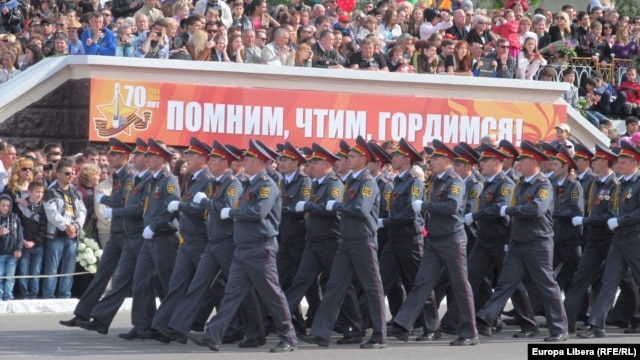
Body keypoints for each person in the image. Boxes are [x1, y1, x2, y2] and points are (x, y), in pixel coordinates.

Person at [187, 139, 297, 353]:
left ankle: (289, 336)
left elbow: (258, 213)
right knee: (232, 294)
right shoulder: (249, 183)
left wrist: (233, 213)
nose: (244, 161)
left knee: (272, 294)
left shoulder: (266, 185)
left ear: (258, 161)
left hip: (260, 247)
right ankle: (214, 335)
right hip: (243, 248)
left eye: (248, 158)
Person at [475, 140, 569, 342]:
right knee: (505, 283)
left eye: (523, 159)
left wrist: (509, 210)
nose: (519, 163)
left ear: (533, 161)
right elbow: (516, 217)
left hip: (538, 242)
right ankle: (485, 317)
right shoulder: (521, 184)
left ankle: (560, 329)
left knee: (546, 285)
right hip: (518, 242)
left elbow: (536, 210)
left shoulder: (543, 185)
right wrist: (510, 238)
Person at [388, 139, 478, 346]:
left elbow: (452, 207)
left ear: (447, 160)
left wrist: (425, 206)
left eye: (436, 158)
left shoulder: (454, 181)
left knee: (460, 286)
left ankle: (470, 332)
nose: (431, 162)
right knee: (422, 283)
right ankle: (403, 324)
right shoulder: (437, 180)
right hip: (435, 240)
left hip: (451, 239)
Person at [300, 135, 386, 350]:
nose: (347, 159)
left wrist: (335, 206)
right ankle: (321, 333)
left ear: (363, 159)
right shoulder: (351, 181)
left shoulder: (367, 182)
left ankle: (379, 335)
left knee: (372, 288)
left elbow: (360, 210)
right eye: (348, 156)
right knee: (334, 286)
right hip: (347, 242)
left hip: (363, 241)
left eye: (352, 156)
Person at [287, 142, 363, 344]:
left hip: (330, 241)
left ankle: (354, 328)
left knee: (341, 287)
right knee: (301, 281)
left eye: (315, 162)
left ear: (327, 164)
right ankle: (282, 321)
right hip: (313, 242)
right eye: (310, 162)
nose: (310, 166)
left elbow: (333, 209)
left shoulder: (334, 184)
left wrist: (310, 206)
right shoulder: (317, 184)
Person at [60, 138, 135, 331]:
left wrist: (106, 199)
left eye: (114, 154)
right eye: (110, 153)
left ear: (124, 157)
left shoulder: (129, 176)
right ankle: (82, 313)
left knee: (122, 279)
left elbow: (124, 202)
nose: (109, 158)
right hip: (115, 231)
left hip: (125, 231)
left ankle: (101, 319)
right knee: (101, 274)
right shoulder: (118, 176)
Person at [577, 141, 640, 339]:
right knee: (609, 280)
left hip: (634, 237)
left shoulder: (637, 183)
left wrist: (620, 220)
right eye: (618, 162)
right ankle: (596, 324)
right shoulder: (623, 183)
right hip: (619, 238)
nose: (618, 165)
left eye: (622, 162)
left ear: (634, 162)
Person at [377, 138, 437, 341]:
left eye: (396, 155)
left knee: (417, 283)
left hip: (410, 240)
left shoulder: (414, 181)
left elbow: (411, 212)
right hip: (394, 240)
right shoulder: (398, 180)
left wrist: (386, 222)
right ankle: (368, 324)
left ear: (406, 159)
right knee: (380, 281)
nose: (392, 158)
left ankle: (430, 326)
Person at [125, 139, 180, 340]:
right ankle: (142, 325)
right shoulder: (151, 180)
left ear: (160, 158)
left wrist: (155, 226)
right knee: (141, 281)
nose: (146, 159)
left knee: (167, 284)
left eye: (150, 156)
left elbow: (171, 209)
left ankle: (168, 326)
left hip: (164, 236)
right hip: (149, 238)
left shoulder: (169, 180)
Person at [42, 158, 87, 299]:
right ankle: (49, 295)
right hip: (56, 235)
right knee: (52, 268)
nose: (71, 176)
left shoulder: (75, 192)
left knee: (69, 268)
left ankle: (65, 295)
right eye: (67, 173)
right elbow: (51, 212)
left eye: (73, 173)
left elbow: (82, 211)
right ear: (59, 174)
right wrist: (66, 226)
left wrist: (75, 226)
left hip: (72, 235)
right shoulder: (51, 192)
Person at [16, 181, 47, 299]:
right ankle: (24, 294)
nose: (39, 194)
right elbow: (18, 226)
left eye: (41, 192)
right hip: (23, 243)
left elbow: (44, 227)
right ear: (29, 192)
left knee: (36, 271)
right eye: (37, 192)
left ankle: (33, 294)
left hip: (37, 244)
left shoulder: (43, 207)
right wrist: (23, 240)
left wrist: (34, 242)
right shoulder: (21, 206)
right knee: (24, 271)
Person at [0, 194, 23, 301]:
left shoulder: (15, 217)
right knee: (0, 275)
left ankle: (8, 295)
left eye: (8, 206)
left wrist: (18, 249)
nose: (6, 208)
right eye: (3, 205)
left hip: (12, 253)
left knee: (10, 276)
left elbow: (20, 235)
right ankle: (0, 295)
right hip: (0, 253)